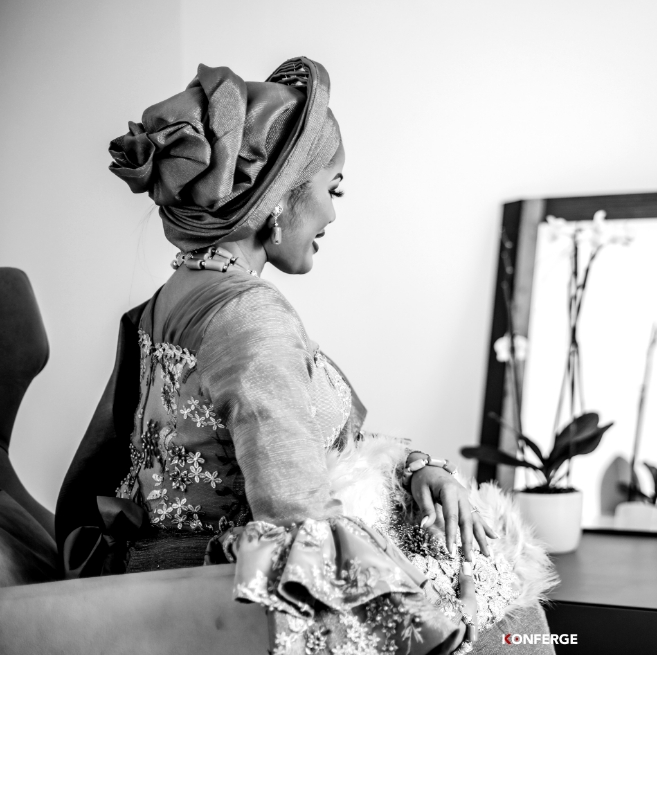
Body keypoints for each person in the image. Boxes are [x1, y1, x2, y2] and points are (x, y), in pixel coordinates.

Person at [55, 57, 555, 654]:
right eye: (332, 188)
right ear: (276, 198)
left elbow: (306, 444)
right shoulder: (249, 316)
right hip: (228, 593)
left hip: (165, 567)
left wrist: (419, 466)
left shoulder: (169, 300)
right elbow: (298, 520)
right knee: (508, 606)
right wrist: (438, 629)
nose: (333, 213)